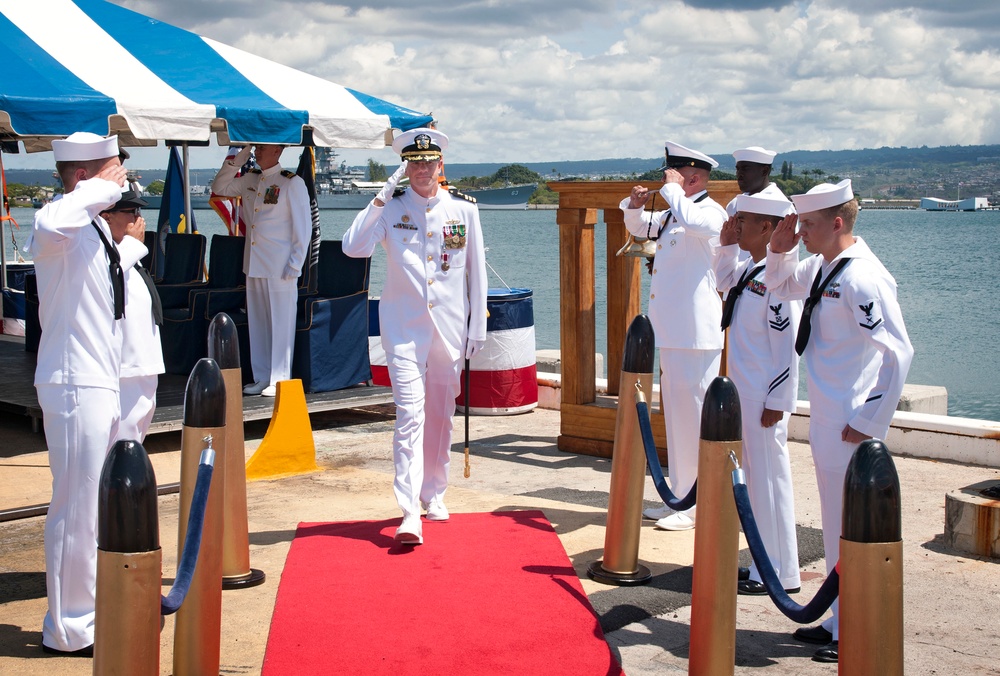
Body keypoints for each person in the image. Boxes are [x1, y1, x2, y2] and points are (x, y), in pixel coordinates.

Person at [765, 179, 914, 663]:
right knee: (834, 525)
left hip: (851, 422)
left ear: (836, 223)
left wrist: (872, 420)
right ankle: (836, 618)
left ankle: (854, 629)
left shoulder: (862, 277)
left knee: (854, 528)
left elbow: (898, 352)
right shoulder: (823, 266)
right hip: (830, 416)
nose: (801, 231)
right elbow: (779, 285)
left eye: (807, 224)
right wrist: (780, 249)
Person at [25, 132, 147, 656]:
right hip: (74, 382)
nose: (122, 181)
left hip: (100, 380)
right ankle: (70, 627)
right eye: (113, 171)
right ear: (83, 177)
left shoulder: (94, 232)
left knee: (93, 506)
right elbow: (52, 222)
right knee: (76, 508)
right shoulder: (60, 223)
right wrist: (94, 189)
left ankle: (89, 613)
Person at [342, 128, 487, 545]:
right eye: (414, 163)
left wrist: (476, 328)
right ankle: (409, 511)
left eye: (429, 162)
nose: (422, 170)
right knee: (409, 415)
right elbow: (353, 247)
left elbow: (474, 274)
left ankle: (434, 491)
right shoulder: (391, 208)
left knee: (441, 413)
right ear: (405, 167)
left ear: (441, 166)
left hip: (448, 330)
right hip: (404, 328)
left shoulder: (465, 210)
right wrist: (380, 196)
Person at [620, 141, 728, 531]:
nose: (667, 177)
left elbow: (697, 225)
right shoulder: (674, 214)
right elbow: (641, 227)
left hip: (696, 333)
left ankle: (698, 504)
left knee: (695, 419)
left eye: (674, 172)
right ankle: (681, 497)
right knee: (678, 420)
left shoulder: (709, 212)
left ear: (693, 175)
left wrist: (671, 191)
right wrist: (634, 205)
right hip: (674, 330)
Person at [713, 191, 802, 596]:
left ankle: (781, 571)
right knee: (754, 481)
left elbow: (787, 348)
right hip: (746, 394)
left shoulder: (779, 279)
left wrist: (778, 402)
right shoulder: (754, 269)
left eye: (745, 221)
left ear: (767, 227)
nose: (738, 224)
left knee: (770, 483)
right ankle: (762, 562)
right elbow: (724, 282)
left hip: (763, 398)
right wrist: (727, 244)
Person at [211, 144, 310, 397]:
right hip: (254, 262)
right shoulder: (250, 179)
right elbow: (219, 187)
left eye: (262, 148)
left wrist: (295, 264)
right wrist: (238, 158)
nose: (257, 152)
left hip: (280, 266)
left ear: (277, 151)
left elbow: (303, 229)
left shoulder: (291, 183)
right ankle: (262, 376)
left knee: (281, 323)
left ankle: (279, 378)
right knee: (259, 323)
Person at [100, 189, 164, 442]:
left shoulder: (127, 253)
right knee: (121, 443)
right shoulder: (102, 253)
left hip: (143, 364)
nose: (139, 220)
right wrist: (132, 244)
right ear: (106, 218)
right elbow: (106, 283)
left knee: (135, 438)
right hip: (124, 368)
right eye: (131, 212)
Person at [726, 146, 785, 217]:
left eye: (746, 169)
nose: (739, 174)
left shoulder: (780, 205)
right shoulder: (734, 204)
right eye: (738, 169)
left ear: (764, 171)